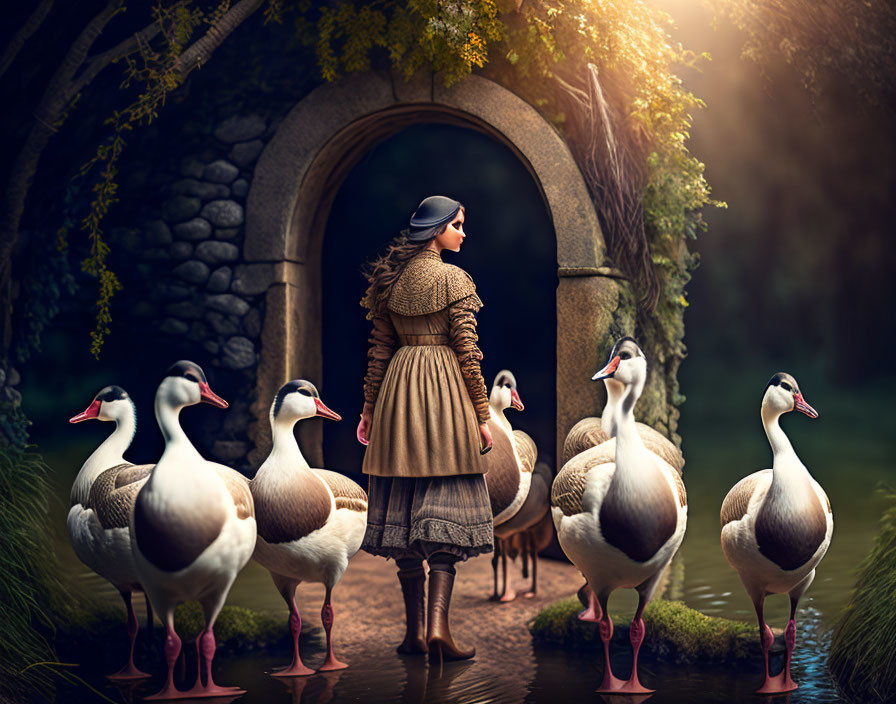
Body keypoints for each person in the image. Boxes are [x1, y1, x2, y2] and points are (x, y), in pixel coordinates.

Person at [357, 195, 493, 663]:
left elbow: (378, 348)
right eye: (456, 224)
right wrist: (481, 412)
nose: (461, 232)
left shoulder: (389, 281)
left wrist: (369, 409)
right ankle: (438, 630)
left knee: (404, 507)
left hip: (398, 391)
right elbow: (467, 351)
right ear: (436, 230)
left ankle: (415, 634)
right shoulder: (454, 279)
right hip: (443, 392)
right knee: (445, 504)